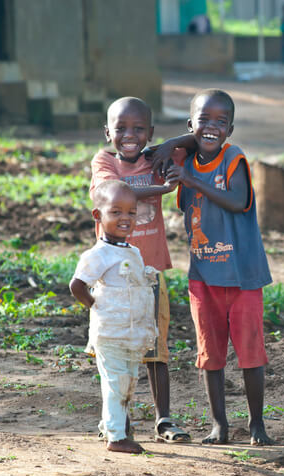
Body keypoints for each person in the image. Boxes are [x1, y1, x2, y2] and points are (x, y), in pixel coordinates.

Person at [164, 89, 274, 446]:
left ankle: (257, 424)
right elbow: (156, 160)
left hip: (242, 276)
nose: (211, 128)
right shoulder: (183, 163)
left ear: (231, 129)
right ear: (190, 125)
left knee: (250, 352)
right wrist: (181, 158)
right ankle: (219, 426)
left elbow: (238, 200)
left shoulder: (233, 159)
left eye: (220, 122)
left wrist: (192, 179)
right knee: (209, 354)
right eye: (203, 120)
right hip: (204, 276)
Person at [90, 97, 191, 444]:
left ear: (150, 132)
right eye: (121, 128)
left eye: (139, 129)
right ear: (107, 133)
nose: (129, 135)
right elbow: (116, 193)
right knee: (115, 349)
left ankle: (163, 419)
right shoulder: (104, 161)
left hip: (150, 272)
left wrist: (169, 145)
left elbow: (201, 136)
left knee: (156, 346)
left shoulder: (156, 157)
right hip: (112, 277)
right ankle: (117, 420)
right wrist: (163, 187)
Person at [69, 180, 159, 454]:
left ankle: (110, 427)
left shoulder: (133, 252)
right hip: (110, 332)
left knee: (126, 382)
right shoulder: (98, 254)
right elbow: (77, 285)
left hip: (131, 334)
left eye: (131, 213)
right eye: (116, 212)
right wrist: (96, 306)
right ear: (98, 216)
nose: (125, 218)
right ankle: (116, 437)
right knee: (117, 382)